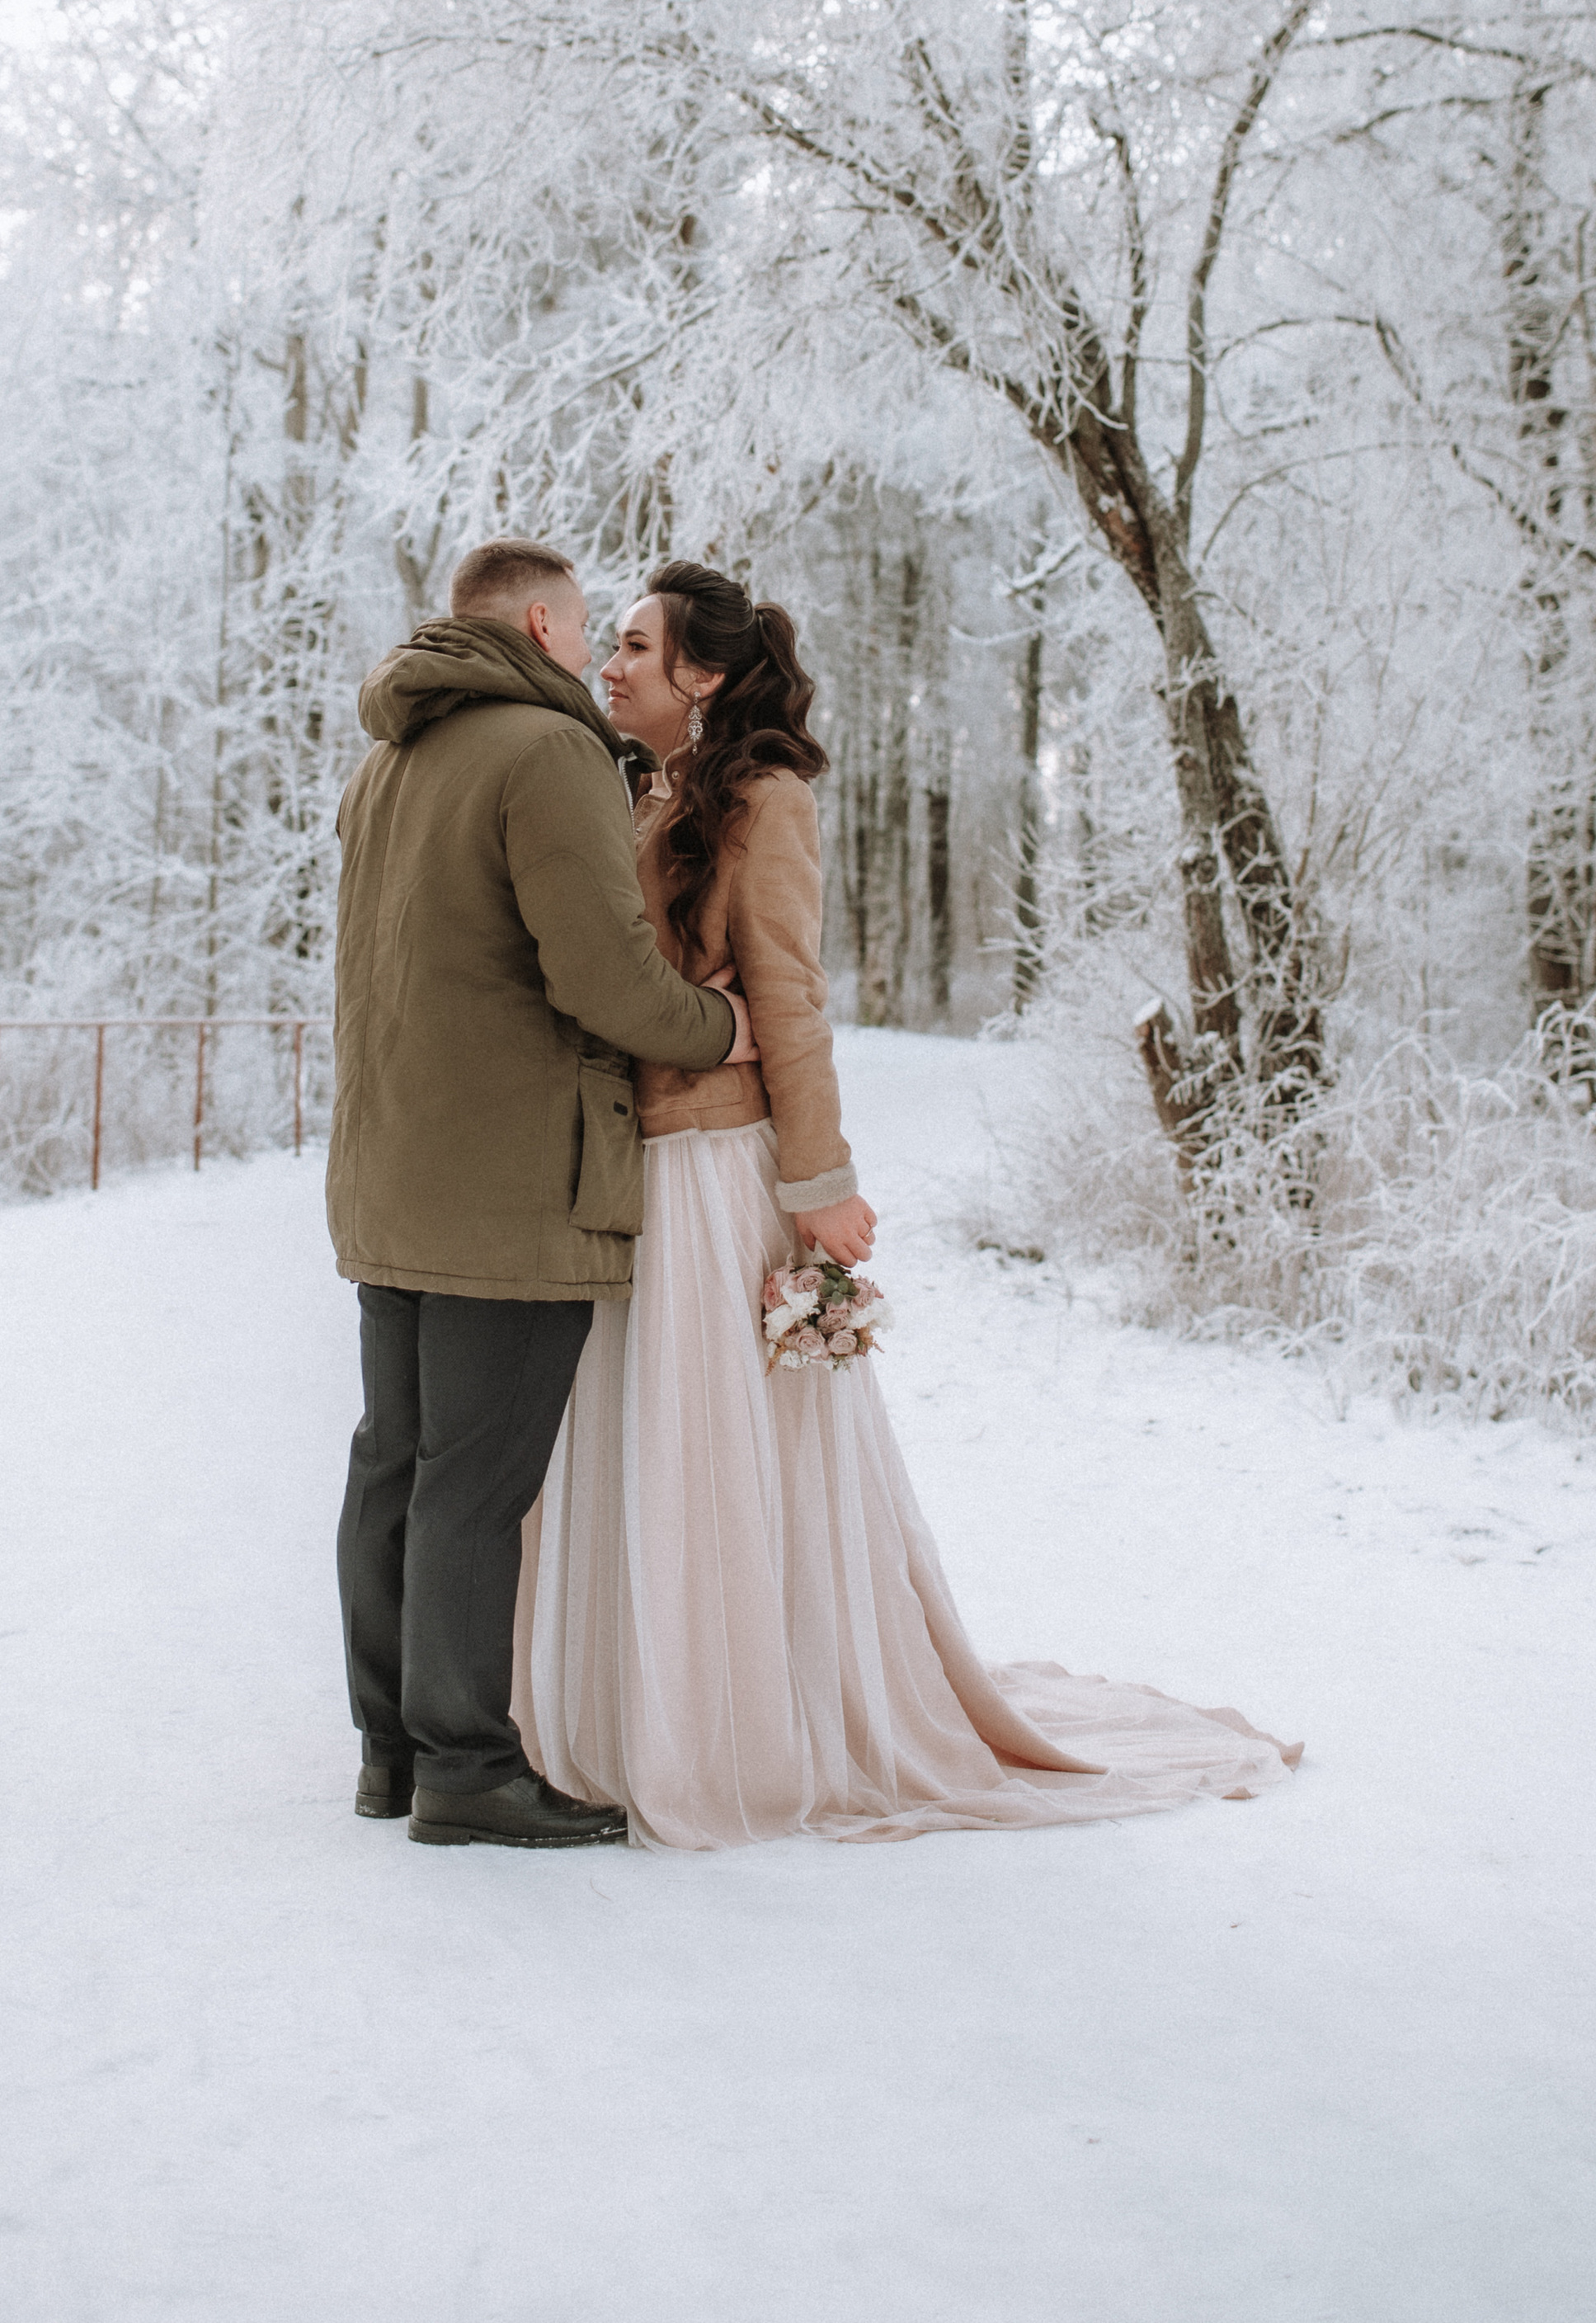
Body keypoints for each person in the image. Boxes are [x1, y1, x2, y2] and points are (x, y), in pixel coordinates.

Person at [514, 558, 1301, 1844]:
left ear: (702, 678)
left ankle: (741, 1725)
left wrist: (820, 1187)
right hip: (624, 1172)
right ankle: (627, 1707)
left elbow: (789, 997)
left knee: (716, 1454)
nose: (612, 662)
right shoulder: (640, 790)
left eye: (641, 648)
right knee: (638, 1446)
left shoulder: (764, 801)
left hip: (715, 1173)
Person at [328, 537, 760, 1849]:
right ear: (539, 624)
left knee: (394, 1465)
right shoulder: (546, 751)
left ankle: (393, 1750)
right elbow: (603, 977)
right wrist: (720, 1030)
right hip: (512, 1183)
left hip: (393, 1169)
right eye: (589, 633)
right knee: (477, 1479)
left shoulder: (389, 758)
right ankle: (469, 1764)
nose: (596, 658)